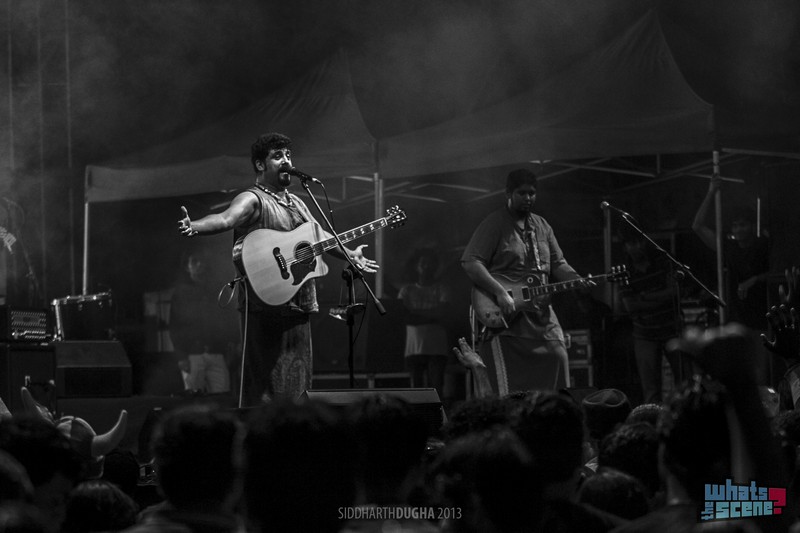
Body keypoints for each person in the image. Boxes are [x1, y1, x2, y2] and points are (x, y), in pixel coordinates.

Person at [178, 133, 378, 405]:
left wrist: (349, 254)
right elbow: (225, 219)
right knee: (265, 388)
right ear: (260, 165)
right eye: (277, 156)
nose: (286, 161)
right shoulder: (253, 198)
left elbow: (320, 237)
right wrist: (195, 226)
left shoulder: (298, 203)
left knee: (297, 383)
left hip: (299, 305)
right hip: (265, 306)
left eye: (288, 155)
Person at [461, 168, 586, 394]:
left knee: (559, 357)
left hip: (543, 318)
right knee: (510, 390)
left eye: (532, 193)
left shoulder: (542, 225)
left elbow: (558, 263)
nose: (528, 198)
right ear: (508, 193)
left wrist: (578, 280)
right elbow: (471, 262)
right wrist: (500, 292)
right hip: (508, 318)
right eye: (522, 193)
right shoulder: (495, 223)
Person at [692, 176, 773, 385]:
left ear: (752, 226)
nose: (738, 230)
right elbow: (698, 226)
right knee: (739, 375)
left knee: (761, 376)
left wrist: (754, 280)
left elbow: (776, 273)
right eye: (735, 226)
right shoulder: (730, 248)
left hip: (761, 320)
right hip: (736, 321)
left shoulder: (763, 246)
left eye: (742, 225)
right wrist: (711, 192)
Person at [618, 231, 694, 404]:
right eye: (631, 244)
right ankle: (652, 419)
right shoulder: (623, 271)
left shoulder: (663, 262)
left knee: (685, 383)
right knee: (651, 390)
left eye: (639, 242)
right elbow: (631, 306)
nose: (637, 247)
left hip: (672, 329)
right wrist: (661, 297)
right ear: (625, 247)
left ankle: (684, 416)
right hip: (644, 334)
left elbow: (675, 293)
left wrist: (644, 297)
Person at [169, 249, 236, 394]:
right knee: (194, 398)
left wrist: (230, 346)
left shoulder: (216, 289)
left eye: (201, 261)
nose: (199, 265)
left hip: (217, 352)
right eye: (194, 261)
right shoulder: (181, 293)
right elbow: (174, 327)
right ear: (187, 267)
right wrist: (181, 357)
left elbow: (227, 319)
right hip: (192, 355)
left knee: (222, 396)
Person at [398, 248, 450, 399]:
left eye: (430, 263)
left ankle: (437, 413)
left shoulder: (442, 289)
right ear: (417, 266)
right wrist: (432, 316)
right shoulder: (407, 290)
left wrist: (414, 313)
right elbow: (403, 317)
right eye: (423, 263)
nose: (426, 267)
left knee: (437, 390)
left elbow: (442, 314)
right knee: (416, 392)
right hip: (413, 347)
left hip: (437, 347)